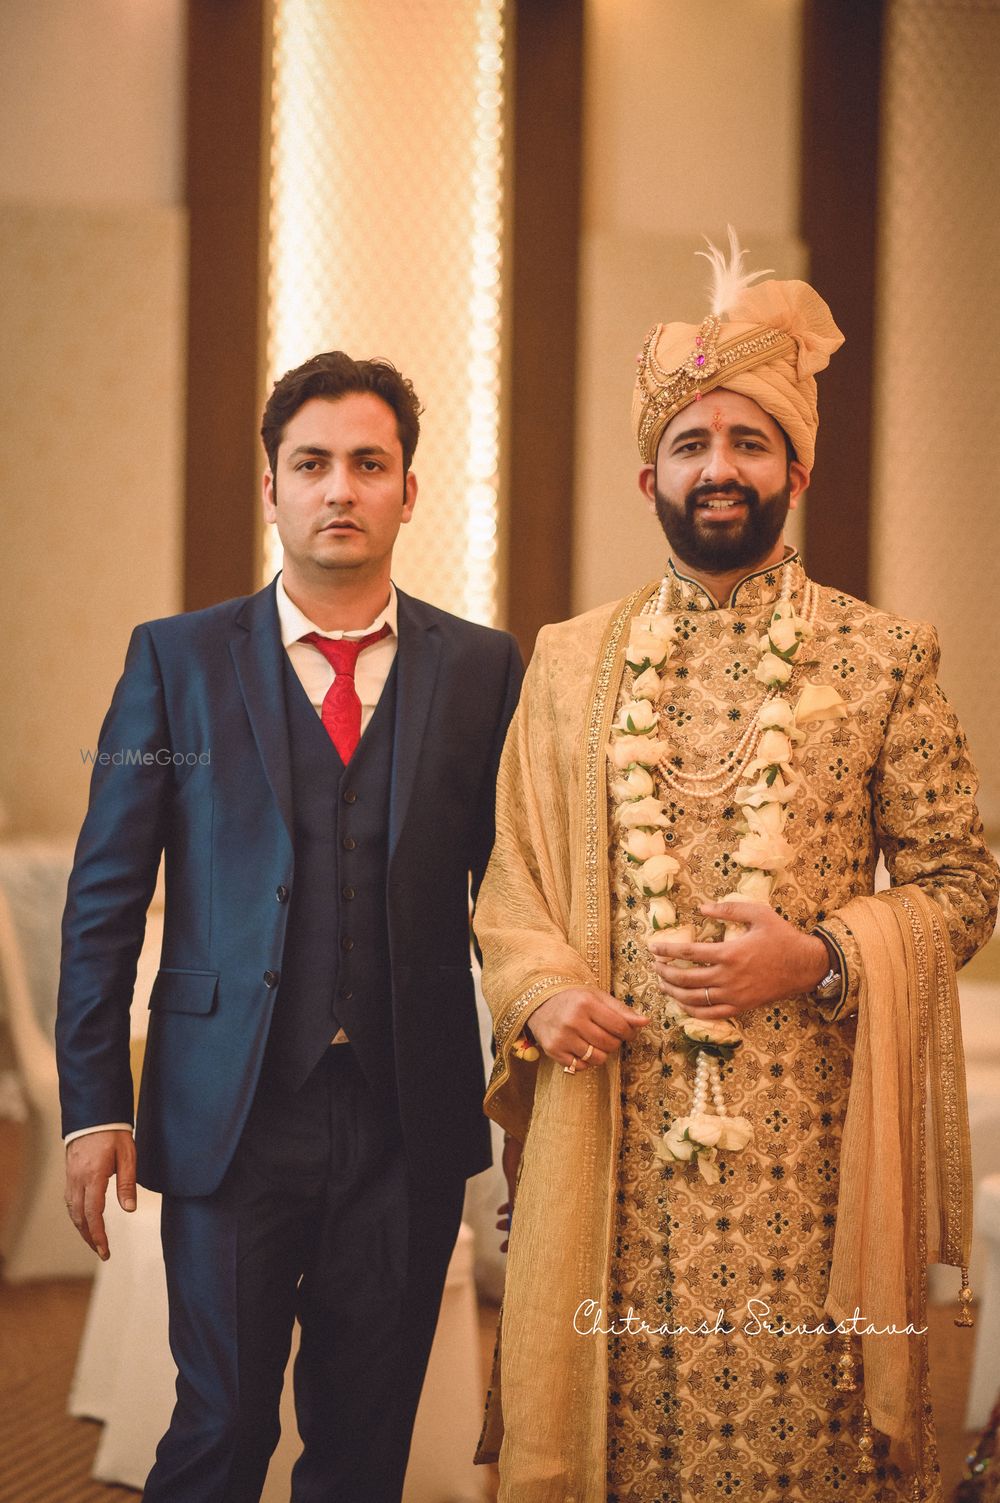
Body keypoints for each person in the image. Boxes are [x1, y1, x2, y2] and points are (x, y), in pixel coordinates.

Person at [474, 234, 999, 1502]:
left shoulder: (882, 656)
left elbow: (962, 882)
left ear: (796, 470)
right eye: (692, 444)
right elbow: (512, 882)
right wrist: (543, 993)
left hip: (813, 1158)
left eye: (749, 442)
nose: (719, 467)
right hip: (616, 1141)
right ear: (646, 476)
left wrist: (817, 958)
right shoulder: (567, 661)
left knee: (804, 1449)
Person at [56, 351, 523, 1503]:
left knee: (365, 1448)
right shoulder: (173, 660)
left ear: (409, 490)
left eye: (369, 464)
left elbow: (517, 899)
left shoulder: (481, 669)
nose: (339, 489)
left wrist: (531, 1089)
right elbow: (104, 896)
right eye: (311, 464)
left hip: (408, 1119)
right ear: (271, 487)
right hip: (229, 1111)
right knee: (218, 1428)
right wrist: (94, 1104)